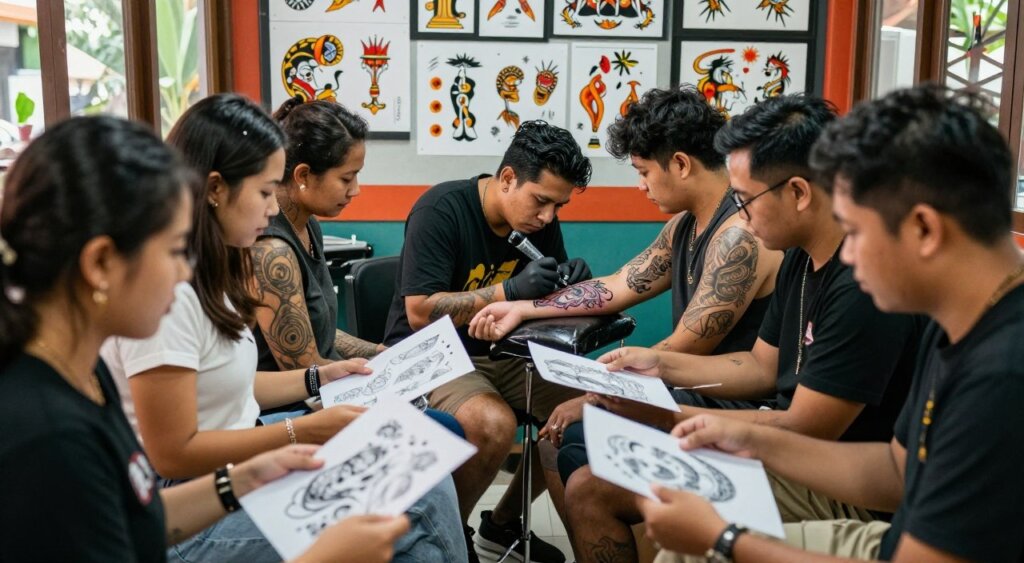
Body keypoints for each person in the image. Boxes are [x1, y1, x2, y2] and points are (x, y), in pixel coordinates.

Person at [0, 115, 409, 563]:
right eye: (175, 251)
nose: (183, 274)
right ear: (100, 264)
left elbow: (140, 521)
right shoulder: (47, 433)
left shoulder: (82, 371)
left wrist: (245, 478)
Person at [645, 83, 1024, 563]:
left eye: (857, 231)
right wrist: (751, 438)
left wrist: (724, 539)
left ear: (924, 228)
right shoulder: (962, 320)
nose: (850, 254)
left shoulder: (1002, 373)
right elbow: (896, 471)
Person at [557, 95, 925, 563]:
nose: (740, 213)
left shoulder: (862, 284)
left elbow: (805, 427)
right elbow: (759, 366)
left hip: (841, 486)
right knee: (593, 477)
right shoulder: (800, 257)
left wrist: (667, 418)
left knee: (595, 488)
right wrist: (659, 363)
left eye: (744, 198)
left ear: (799, 193)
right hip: (797, 452)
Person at [101, 94, 465, 563]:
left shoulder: (216, 269)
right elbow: (171, 454)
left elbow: (224, 385)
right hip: (188, 507)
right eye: (265, 192)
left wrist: (318, 377)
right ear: (215, 189)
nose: (273, 209)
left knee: (421, 468)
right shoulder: (169, 294)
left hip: (235, 460)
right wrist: (301, 430)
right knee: (418, 501)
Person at [468, 86, 782, 489]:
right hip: (691, 390)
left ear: (681, 164)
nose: (640, 186)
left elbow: (686, 347)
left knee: (578, 435)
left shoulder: (737, 236)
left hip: (731, 402)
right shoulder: (684, 226)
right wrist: (522, 307)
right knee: (566, 439)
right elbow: (619, 284)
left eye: (643, 171)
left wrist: (592, 397)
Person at [382, 120, 593, 563]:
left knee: (583, 411)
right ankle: (447, 541)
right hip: (432, 355)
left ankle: (501, 524)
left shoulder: (538, 221)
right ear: (508, 178)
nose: (548, 217)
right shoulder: (441, 210)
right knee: (494, 424)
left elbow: (541, 299)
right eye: (541, 201)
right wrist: (509, 291)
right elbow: (420, 311)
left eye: (558, 206)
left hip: (505, 352)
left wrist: (570, 287)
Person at [250, 96, 465, 438]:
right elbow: (307, 375)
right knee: (446, 429)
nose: (356, 190)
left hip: (321, 390)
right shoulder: (272, 252)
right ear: (303, 175)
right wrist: (383, 376)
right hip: (291, 413)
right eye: (347, 178)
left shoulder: (307, 224)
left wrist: (380, 353)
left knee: (446, 425)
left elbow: (315, 328)